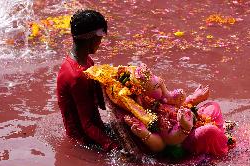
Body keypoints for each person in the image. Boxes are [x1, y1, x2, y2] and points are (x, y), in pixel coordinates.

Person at [84, 63, 233, 157]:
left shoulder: (159, 100)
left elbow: (176, 107)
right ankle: (223, 143)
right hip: (182, 139)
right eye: (156, 86)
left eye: (157, 79)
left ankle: (219, 133)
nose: (160, 83)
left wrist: (194, 99)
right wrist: (184, 128)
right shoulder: (148, 117)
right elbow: (164, 143)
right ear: (143, 97)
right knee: (208, 132)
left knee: (212, 106)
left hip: (187, 120)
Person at [57, 10, 118, 151]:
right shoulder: (76, 76)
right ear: (92, 38)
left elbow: (100, 103)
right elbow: (87, 125)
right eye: (101, 37)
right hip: (84, 140)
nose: (101, 42)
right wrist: (115, 148)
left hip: (96, 129)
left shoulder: (86, 61)